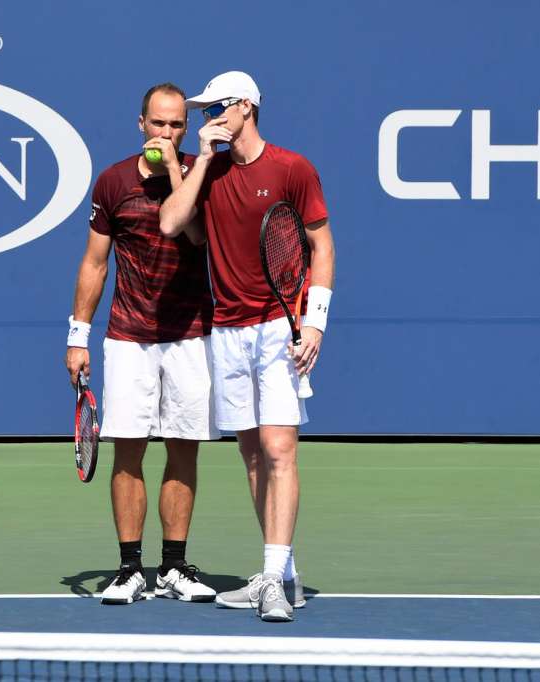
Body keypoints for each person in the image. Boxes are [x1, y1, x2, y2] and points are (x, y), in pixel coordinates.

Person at [160, 71, 335, 622]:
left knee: (281, 449)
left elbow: (321, 245)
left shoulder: (292, 168)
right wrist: (202, 162)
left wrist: (314, 323)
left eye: (215, 107)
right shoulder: (204, 172)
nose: (205, 116)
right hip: (227, 332)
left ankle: (276, 581)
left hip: (280, 328)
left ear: (244, 107)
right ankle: (280, 573)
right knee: (252, 453)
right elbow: (170, 224)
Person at [65, 83, 218, 606]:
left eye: (177, 125)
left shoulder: (203, 173)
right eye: (159, 123)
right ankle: (130, 568)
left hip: (191, 337)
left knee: (183, 448)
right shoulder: (112, 182)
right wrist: (77, 336)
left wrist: (177, 170)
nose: (167, 133)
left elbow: (195, 235)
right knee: (127, 451)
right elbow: (94, 262)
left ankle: (174, 566)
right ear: (141, 124)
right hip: (128, 337)